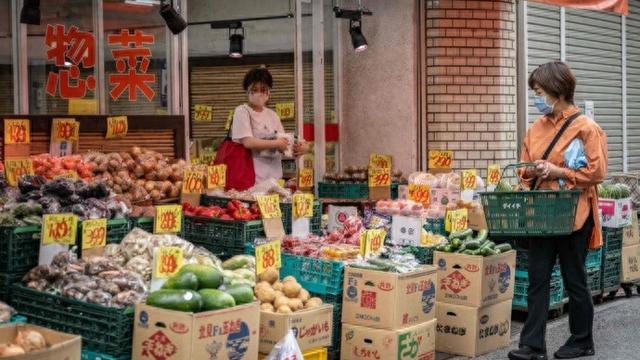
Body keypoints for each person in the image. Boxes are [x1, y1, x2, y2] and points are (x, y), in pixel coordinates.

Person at [508, 61, 608, 360]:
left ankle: (582, 340)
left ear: (557, 90)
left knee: (574, 277)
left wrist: (559, 172)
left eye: (539, 91)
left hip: (575, 214)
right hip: (542, 214)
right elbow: (524, 170)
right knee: (538, 277)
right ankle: (532, 345)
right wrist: (531, 172)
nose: (536, 97)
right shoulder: (535, 129)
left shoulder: (586, 128)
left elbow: (597, 172)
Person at [231, 67, 307, 184]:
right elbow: (248, 142)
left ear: (269, 91)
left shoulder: (273, 115)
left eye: (263, 89)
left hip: (275, 180)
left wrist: (300, 148)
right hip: (251, 180)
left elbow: (285, 145)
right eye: (255, 89)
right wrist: (276, 143)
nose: (259, 93)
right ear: (247, 90)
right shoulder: (242, 111)